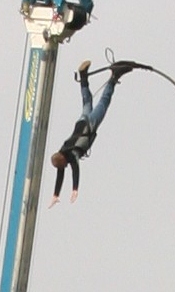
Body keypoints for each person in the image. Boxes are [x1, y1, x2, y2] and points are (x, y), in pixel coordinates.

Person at [49, 59, 135, 205]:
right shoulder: (62, 152)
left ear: (63, 160)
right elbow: (60, 173)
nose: (64, 168)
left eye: (64, 165)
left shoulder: (72, 154)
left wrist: (75, 189)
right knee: (87, 102)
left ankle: (114, 76)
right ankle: (83, 77)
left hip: (89, 125)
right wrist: (55, 194)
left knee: (104, 102)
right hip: (81, 121)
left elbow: (75, 169)